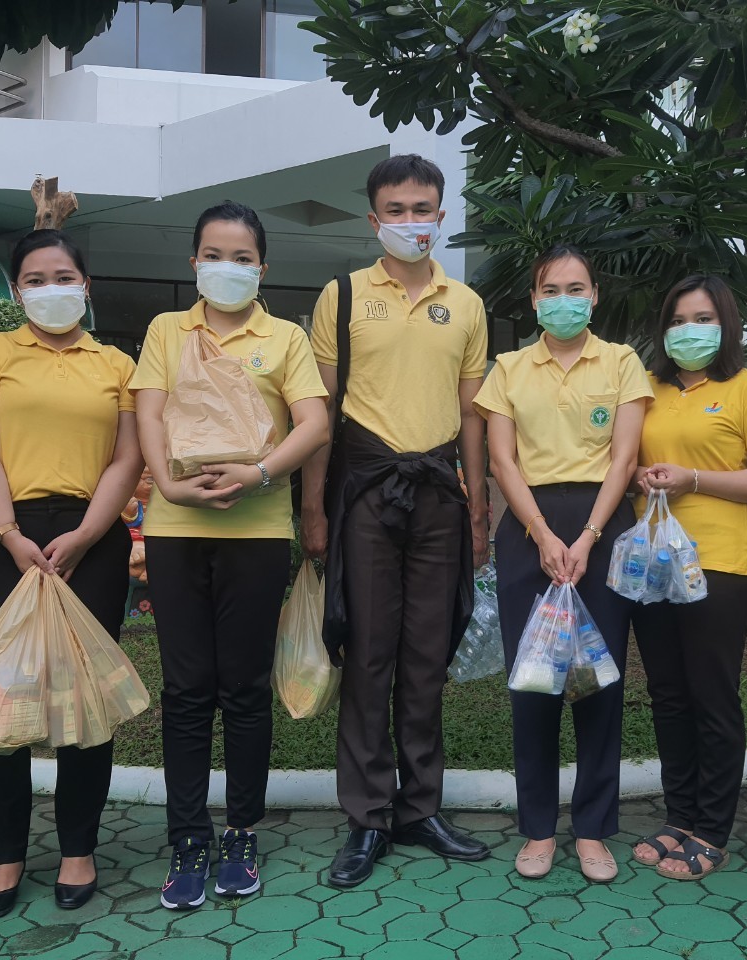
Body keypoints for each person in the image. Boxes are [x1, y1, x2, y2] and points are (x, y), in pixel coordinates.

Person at [131, 202, 330, 910]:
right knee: (187, 690)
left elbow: (315, 422)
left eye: (242, 258)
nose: (228, 267)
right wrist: (168, 485)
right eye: (214, 255)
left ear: (262, 268)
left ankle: (242, 831)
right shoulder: (167, 330)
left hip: (256, 534)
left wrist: (261, 474)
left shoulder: (285, 338)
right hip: (175, 531)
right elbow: (148, 410)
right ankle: (188, 837)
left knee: (244, 689)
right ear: (193, 262)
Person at [300, 154, 491, 888]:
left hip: (440, 492)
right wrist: (314, 508)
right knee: (369, 653)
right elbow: (320, 413)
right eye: (396, 210)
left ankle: (420, 809)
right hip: (365, 488)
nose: (411, 222)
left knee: (425, 657)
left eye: (423, 209)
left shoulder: (465, 304)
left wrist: (479, 511)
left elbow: (472, 417)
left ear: (441, 215)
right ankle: (368, 815)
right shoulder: (343, 295)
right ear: (373, 219)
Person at [0, 229, 142, 918]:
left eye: (64, 276)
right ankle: (5, 854)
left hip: (90, 538)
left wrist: (88, 533)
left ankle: (78, 848)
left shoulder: (117, 363)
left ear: (86, 286)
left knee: (83, 700)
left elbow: (127, 458)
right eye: (35, 279)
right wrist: (9, 533)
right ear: (16, 290)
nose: (50, 289)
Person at [474, 244, 651, 882]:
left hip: (603, 528)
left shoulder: (622, 362)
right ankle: (539, 828)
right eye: (550, 290)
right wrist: (544, 535)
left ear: (595, 296)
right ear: (533, 300)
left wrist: (590, 535)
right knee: (535, 681)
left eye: (576, 289)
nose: (564, 301)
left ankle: (594, 829)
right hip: (530, 530)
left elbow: (624, 457)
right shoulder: (509, 368)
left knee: (599, 681)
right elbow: (502, 461)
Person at [629, 275, 747, 881]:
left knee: (711, 694)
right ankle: (679, 817)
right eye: (678, 320)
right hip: (649, 563)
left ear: (726, 326)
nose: (689, 331)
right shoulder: (645, 389)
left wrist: (694, 479)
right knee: (668, 695)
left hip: (718, 564)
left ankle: (711, 830)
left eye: (703, 319)